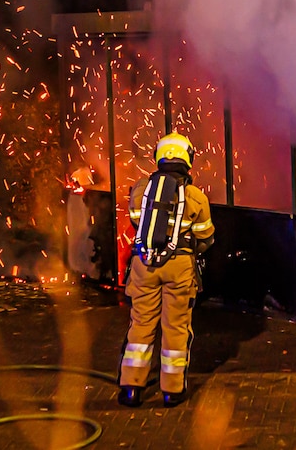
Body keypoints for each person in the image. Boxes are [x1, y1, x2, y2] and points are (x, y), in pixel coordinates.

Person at [117, 132, 215, 408]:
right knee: (175, 327)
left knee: (141, 325)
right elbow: (206, 236)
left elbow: (138, 225)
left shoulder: (140, 189)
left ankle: (130, 389)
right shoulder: (195, 196)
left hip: (144, 264)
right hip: (180, 267)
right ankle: (172, 391)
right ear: (188, 158)